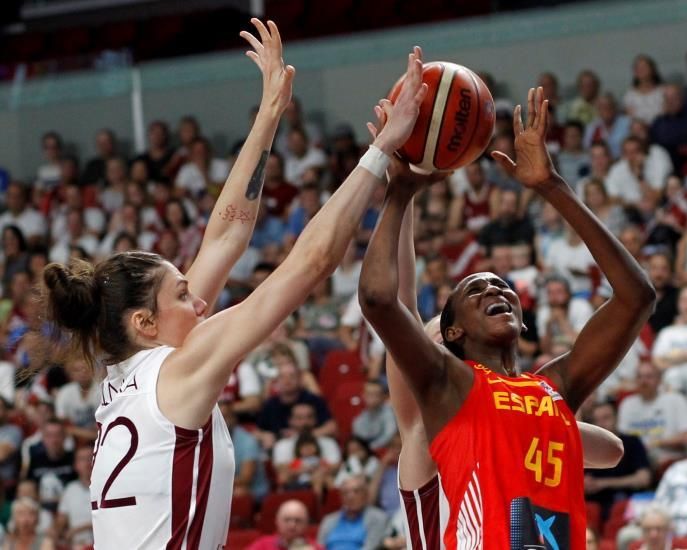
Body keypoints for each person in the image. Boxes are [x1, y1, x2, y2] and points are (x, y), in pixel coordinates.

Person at [38, 23, 429, 548]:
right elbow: (309, 265)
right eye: (181, 295)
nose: (198, 299)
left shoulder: (128, 375)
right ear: (145, 322)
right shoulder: (180, 365)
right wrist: (382, 148)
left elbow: (224, 236)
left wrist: (268, 113)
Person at [359, 86, 654, 547]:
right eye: (474, 290)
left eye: (502, 285)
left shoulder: (547, 393)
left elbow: (637, 297)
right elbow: (388, 300)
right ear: (448, 335)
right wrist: (402, 192)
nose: (495, 287)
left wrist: (551, 187)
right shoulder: (440, 397)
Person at [617, 361, 687, 468]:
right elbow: (622, 441)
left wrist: (657, 443)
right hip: (636, 463)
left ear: (659, 380)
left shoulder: (675, 400)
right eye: (640, 377)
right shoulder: (627, 404)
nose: (644, 381)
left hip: (669, 460)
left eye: (649, 377)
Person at [317, 474, 388, 549]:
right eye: (345, 493)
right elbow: (319, 547)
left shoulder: (377, 518)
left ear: (366, 494)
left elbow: (371, 547)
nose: (350, 496)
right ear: (340, 497)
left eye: (356, 491)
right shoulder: (329, 520)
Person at [53, 446, 92, 549]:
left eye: (90, 458)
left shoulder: (106, 488)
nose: (87, 463)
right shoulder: (70, 489)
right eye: (82, 459)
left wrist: (79, 529)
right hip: (76, 544)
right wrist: (57, 532)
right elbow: (61, 519)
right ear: (75, 465)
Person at [246, 499, 321, 550]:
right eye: (287, 520)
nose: (292, 525)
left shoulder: (315, 547)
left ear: (306, 524)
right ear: (277, 521)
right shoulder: (262, 545)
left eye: (298, 520)